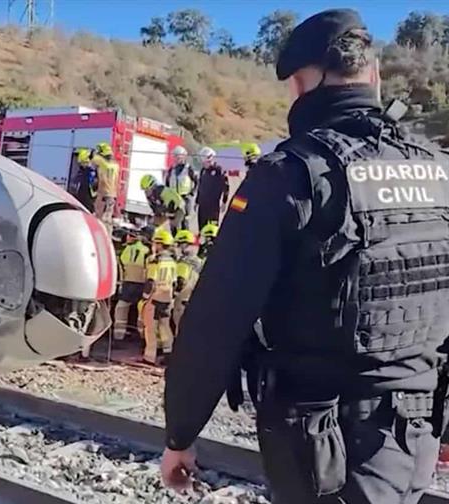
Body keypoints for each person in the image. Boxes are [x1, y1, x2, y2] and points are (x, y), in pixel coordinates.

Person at [160, 9, 449, 504]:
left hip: (324, 445)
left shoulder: (290, 175)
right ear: (374, 74)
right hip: (415, 434)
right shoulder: (438, 171)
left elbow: (218, 319)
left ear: (302, 82)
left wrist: (180, 436)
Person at [140, 227, 178, 365]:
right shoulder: (173, 262)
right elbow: (174, 282)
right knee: (165, 327)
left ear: (160, 244)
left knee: (150, 328)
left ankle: (149, 357)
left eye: (155, 243)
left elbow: (151, 281)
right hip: (167, 298)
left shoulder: (155, 261)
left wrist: (145, 297)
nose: (154, 245)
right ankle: (169, 354)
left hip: (154, 298)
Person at [112, 231, 150, 341]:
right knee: (141, 313)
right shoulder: (147, 250)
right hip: (143, 284)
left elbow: (121, 267)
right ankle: (143, 338)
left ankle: (118, 336)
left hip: (128, 284)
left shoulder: (125, 250)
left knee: (121, 310)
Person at [172, 230, 202, 336]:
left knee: (179, 325)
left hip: (182, 298)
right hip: (193, 298)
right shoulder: (199, 261)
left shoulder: (184, 262)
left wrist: (173, 296)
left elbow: (181, 281)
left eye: (178, 245)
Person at [195, 146, 230, 229]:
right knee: (202, 228)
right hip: (202, 205)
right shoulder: (203, 171)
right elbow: (200, 187)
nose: (203, 164)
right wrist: (197, 201)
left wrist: (224, 202)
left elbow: (226, 187)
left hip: (213, 205)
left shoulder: (219, 171)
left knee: (212, 228)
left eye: (205, 162)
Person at [164, 146, 197, 232]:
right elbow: (167, 183)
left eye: (179, 156)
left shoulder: (188, 169)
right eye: (175, 156)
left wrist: (191, 193)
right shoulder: (172, 170)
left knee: (184, 220)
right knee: (172, 219)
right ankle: (174, 238)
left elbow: (196, 182)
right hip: (174, 198)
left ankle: (184, 240)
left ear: (184, 156)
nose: (177, 158)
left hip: (185, 197)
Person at [91, 142, 120, 231]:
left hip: (103, 194)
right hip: (112, 195)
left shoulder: (101, 162)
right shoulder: (115, 165)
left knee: (99, 219)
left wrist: (94, 152)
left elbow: (93, 160)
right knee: (107, 219)